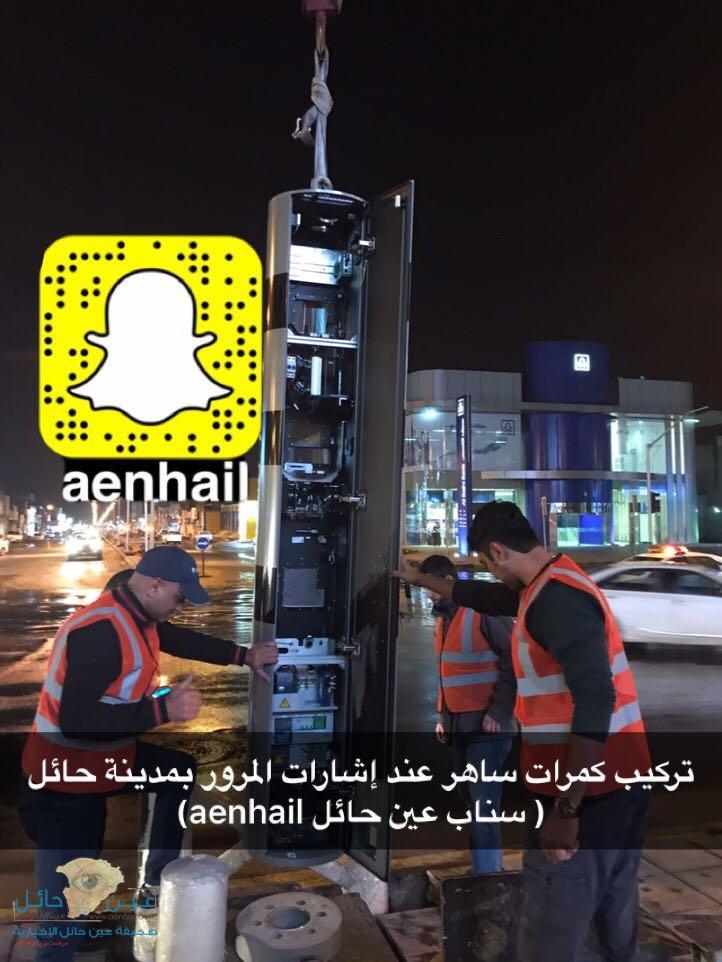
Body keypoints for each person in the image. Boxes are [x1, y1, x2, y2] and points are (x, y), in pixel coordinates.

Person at [395, 502, 651, 962]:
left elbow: (596, 697)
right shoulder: (549, 583)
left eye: (487, 562)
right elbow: (486, 597)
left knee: (551, 932)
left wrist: (567, 809)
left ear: (498, 551)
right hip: (621, 781)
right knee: (612, 918)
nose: (490, 572)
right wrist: (421, 579)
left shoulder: (557, 601)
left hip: (588, 797)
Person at [19, 546, 278, 962]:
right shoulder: (101, 630)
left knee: (177, 772)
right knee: (67, 891)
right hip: (63, 778)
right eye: (180, 597)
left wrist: (244, 656)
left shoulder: (141, 617)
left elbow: (181, 640)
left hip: (104, 760)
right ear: (155, 586)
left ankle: (156, 877)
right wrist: (163, 710)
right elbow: (77, 720)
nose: (181, 606)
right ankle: (61, 944)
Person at [418, 554, 516, 873]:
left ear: (446, 582)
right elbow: (448, 673)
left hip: (487, 729)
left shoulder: (481, 611)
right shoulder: (444, 619)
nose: (428, 595)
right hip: (459, 726)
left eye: (430, 588)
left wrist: (499, 712)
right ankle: (484, 869)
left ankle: (487, 876)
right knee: (470, 799)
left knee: (483, 808)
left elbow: (514, 658)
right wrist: (443, 717)